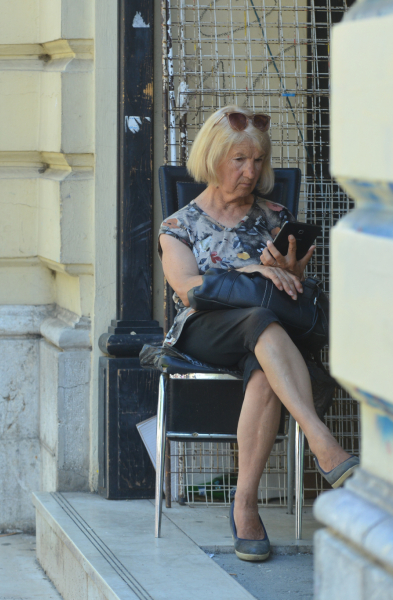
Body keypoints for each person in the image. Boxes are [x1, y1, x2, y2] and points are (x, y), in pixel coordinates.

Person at [158, 105, 358, 563]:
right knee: (256, 320)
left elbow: (292, 288)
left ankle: (244, 505)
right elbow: (188, 290)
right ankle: (320, 439)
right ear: (213, 159)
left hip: (266, 333)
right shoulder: (179, 225)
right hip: (205, 329)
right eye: (239, 160)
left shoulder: (275, 215)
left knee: (265, 356)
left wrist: (288, 273)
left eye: (258, 161)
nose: (251, 171)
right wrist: (249, 270)